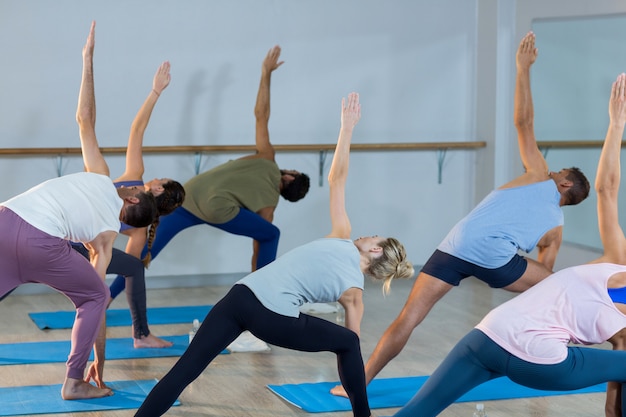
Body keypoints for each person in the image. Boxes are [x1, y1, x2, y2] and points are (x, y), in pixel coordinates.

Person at [332, 31, 590, 397]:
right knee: (554, 284)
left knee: (409, 317)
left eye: (559, 173)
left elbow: (523, 123)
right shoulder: (556, 227)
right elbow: (544, 281)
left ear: (565, 186)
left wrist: (522, 69)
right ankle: (550, 354)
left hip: (456, 245)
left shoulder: (538, 174)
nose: (552, 172)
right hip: (497, 260)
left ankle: (356, 384)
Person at [134, 93, 414, 417]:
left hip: (241, 296)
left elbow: (337, 180)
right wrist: (346, 128)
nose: (367, 234)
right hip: (265, 314)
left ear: (375, 249)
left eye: (373, 236)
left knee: (185, 370)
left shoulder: (343, 242)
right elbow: (351, 349)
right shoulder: (353, 287)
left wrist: (347, 128)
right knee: (349, 343)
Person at [391, 71, 626, 417]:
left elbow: (607, 192)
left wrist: (616, 123)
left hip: (488, 336)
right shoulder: (617, 267)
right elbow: (607, 189)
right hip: (536, 358)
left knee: (416, 412)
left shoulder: (614, 263)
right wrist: (616, 125)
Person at [0, 21, 158, 400]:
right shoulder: (102, 239)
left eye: (134, 187)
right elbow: (96, 302)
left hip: (5, 220)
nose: (131, 182)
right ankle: (73, 381)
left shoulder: (101, 176)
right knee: (93, 296)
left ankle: (77, 380)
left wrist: (87, 61)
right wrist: (98, 363)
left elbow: (84, 119)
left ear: (132, 199)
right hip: (39, 242)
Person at [107, 44, 310, 309]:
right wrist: (256, 275)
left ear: (290, 178)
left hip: (188, 195)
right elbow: (259, 245)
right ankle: (261, 297)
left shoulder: (267, 156)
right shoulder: (269, 205)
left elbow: (261, 115)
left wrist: (265, 73)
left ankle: (107, 297)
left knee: (146, 251)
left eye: (292, 171)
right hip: (215, 209)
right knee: (271, 233)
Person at [73, 57, 185, 349]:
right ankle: (141, 334)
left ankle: (141, 334)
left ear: (157, 188)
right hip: (78, 238)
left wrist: (156, 93)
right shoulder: (142, 227)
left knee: (133, 267)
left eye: (160, 179)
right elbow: (126, 269)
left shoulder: (134, 181)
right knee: (134, 267)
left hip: (76, 239)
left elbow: (137, 130)